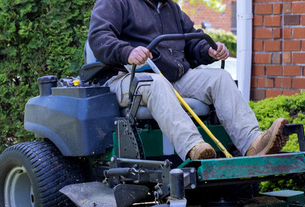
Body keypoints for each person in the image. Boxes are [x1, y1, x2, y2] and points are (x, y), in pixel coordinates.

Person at [88, 0, 288, 161]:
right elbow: (98, 38)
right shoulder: (115, 2)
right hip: (125, 76)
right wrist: (127, 52)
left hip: (171, 77)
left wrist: (208, 50)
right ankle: (194, 147)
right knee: (155, 83)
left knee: (220, 78)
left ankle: (253, 143)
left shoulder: (171, 8)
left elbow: (192, 41)